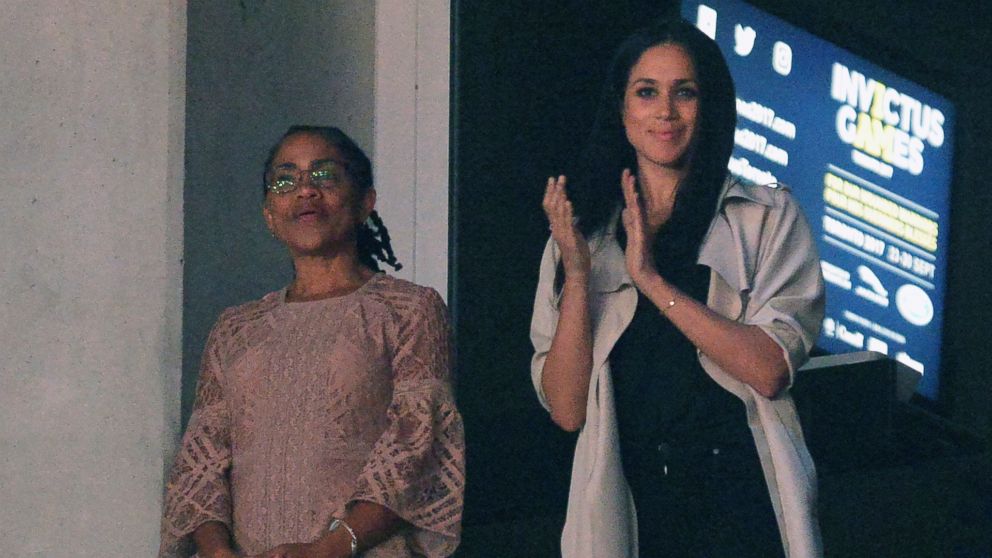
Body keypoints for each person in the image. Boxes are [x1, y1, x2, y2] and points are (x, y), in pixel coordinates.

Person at [530, 19, 825, 558]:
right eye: (647, 93)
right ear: (622, 111)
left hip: (740, 499)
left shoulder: (765, 216)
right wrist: (576, 276)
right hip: (631, 506)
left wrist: (652, 282)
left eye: (684, 93)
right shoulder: (581, 236)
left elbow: (769, 368)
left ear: (707, 107)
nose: (665, 111)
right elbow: (567, 410)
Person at [160, 126, 465, 558]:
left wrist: (331, 548)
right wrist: (218, 554)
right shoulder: (235, 328)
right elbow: (200, 463)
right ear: (269, 214)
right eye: (286, 180)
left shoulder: (409, 309)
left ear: (365, 202)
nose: (305, 191)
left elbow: (414, 447)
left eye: (324, 176)